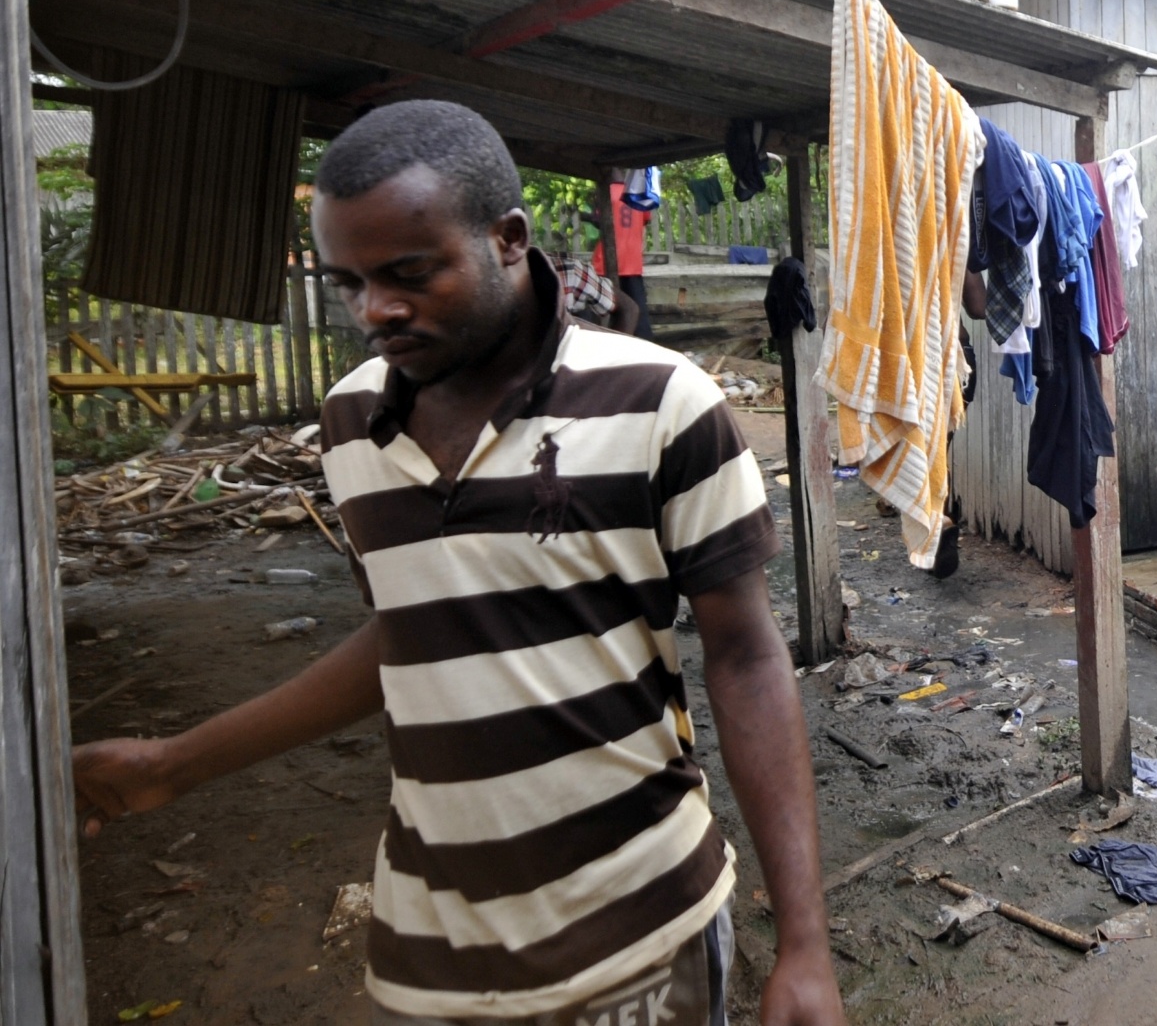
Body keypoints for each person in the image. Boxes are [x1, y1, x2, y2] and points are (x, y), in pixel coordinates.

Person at [69, 102, 846, 1026]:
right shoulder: (351, 420)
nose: (374, 310)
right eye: (348, 282)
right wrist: (173, 765)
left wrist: (803, 942)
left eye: (408, 274)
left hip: (641, 936)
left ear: (508, 239)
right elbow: (417, 629)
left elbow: (747, 656)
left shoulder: (662, 403)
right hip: (427, 955)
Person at [594, 180, 654, 338]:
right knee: (638, 315)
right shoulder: (639, 192)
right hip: (631, 261)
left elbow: (598, 221)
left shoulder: (605, 190)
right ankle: (645, 349)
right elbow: (646, 220)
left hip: (605, 261)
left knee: (599, 311)